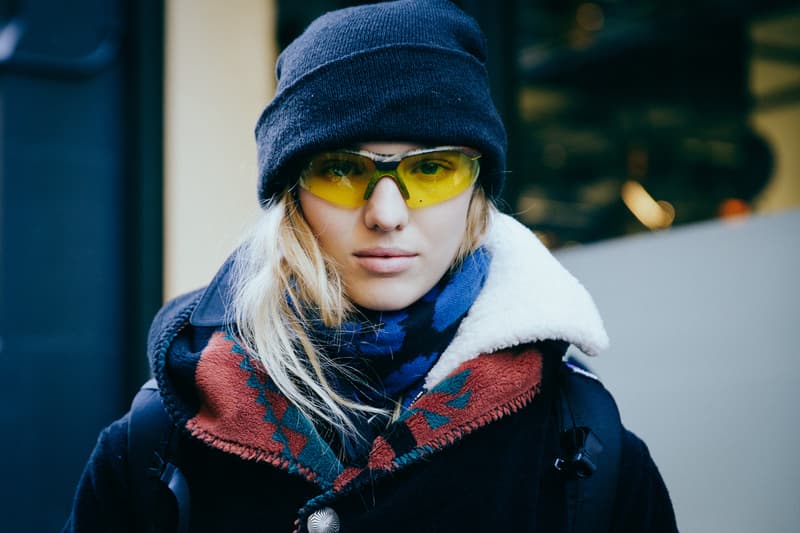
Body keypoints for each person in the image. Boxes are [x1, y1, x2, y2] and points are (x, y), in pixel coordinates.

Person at [64, 1, 677, 531]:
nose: (386, 213)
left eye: (431, 169)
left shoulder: (584, 446)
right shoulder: (159, 442)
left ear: (477, 192)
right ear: (291, 195)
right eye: (340, 168)